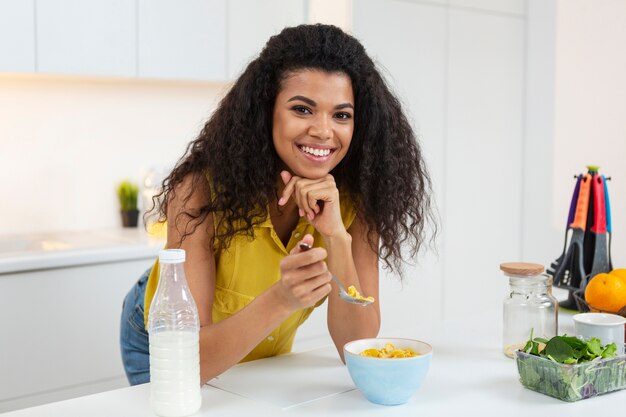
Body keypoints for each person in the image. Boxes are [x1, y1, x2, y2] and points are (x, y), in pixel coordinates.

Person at [120, 23, 433, 386]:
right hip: (164, 347)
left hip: (259, 350)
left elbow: (355, 346)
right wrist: (283, 299)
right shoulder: (200, 192)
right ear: (266, 110)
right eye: (302, 109)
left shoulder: (357, 198)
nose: (323, 131)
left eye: (341, 115)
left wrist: (336, 238)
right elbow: (189, 362)